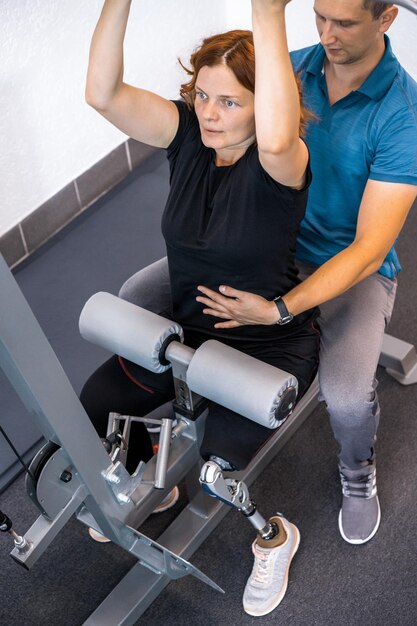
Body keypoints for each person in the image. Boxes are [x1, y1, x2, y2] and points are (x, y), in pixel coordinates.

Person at [119, 0, 417, 550]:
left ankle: (357, 473)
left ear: (386, 18)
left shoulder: (403, 112)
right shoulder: (286, 70)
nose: (326, 34)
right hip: (254, 248)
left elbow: (371, 250)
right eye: (319, 16)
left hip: (343, 267)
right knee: (135, 298)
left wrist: (282, 308)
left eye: (344, 22)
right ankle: (191, 403)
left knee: (347, 396)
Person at [82, 0, 320, 615]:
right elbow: (102, 94)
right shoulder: (187, 135)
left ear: (264, 103)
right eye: (202, 96)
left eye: (231, 101)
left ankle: (275, 536)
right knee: (97, 403)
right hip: (187, 339)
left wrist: (268, 15)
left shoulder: (281, 162)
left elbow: (275, 131)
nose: (210, 114)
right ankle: (155, 494)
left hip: (266, 348)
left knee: (217, 470)